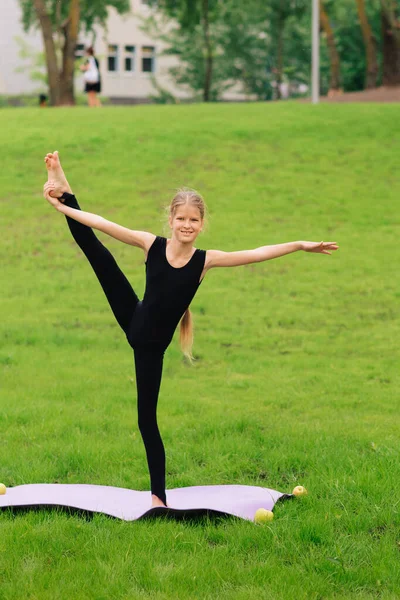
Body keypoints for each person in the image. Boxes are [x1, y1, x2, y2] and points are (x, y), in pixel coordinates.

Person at [42, 151, 339, 509]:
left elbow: (258, 253)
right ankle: (63, 184)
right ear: (171, 219)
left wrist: (300, 245)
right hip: (132, 318)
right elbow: (102, 224)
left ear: (201, 224)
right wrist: (65, 207)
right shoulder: (151, 244)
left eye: (193, 220)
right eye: (181, 217)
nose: (186, 224)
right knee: (97, 252)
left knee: (146, 421)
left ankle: (158, 499)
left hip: (149, 348)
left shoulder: (205, 260)